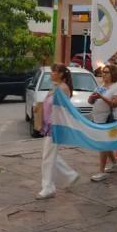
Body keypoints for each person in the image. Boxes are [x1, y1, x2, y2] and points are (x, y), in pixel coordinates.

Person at [37, 65, 80, 199]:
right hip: (49, 126)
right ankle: (69, 175)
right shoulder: (56, 87)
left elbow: (62, 109)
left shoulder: (62, 88)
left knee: (47, 157)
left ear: (61, 74)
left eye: (54, 71)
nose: (51, 74)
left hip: (55, 126)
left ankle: (48, 187)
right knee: (50, 155)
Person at [88, 64, 117, 182]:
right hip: (97, 118)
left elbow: (115, 103)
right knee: (105, 144)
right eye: (103, 72)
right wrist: (92, 98)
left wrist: (101, 97)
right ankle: (115, 163)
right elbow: (91, 100)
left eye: (106, 72)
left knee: (102, 144)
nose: (103, 74)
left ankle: (101, 171)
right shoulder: (102, 85)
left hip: (108, 119)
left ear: (113, 74)